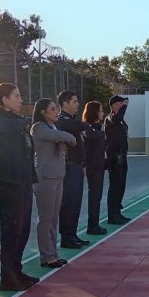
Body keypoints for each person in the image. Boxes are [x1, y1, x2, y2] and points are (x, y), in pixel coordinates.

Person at [0, 83, 39, 291]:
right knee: (11, 230)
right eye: (16, 96)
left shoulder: (17, 121)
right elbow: (8, 127)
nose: (20, 99)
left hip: (24, 179)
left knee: (23, 228)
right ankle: (7, 276)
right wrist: (28, 120)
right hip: (9, 181)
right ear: (4, 99)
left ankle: (17, 270)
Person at [30, 99, 76, 269]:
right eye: (53, 109)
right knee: (46, 218)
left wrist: (66, 138)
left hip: (57, 175)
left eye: (57, 108)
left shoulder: (53, 127)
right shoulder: (39, 127)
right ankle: (46, 255)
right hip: (45, 177)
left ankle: (53, 253)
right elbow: (62, 137)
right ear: (43, 112)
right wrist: (69, 137)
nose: (57, 111)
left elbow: (61, 138)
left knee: (54, 217)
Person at [55, 91, 92, 248]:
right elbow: (79, 126)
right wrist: (87, 125)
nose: (77, 104)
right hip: (69, 167)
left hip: (77, 166)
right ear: (65, 104)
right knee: (68, 202)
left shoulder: (71, 120)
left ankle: (72, 234)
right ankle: (66, 237)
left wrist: (83, 165)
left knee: (76, 203)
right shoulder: (62, 120)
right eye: (74, 101)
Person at [105, 95, 132, 225]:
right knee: (115, 186)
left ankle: (117, 213)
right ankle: (112, 215)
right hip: (114, 158)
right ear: (115, 105)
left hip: (122, 156)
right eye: (121, 103)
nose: (123, 105)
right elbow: (116, 119)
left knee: (121, 186)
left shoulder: (120, 120)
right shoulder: (111, 118)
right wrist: (124, 106)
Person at [82, 101, 108, 235]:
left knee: (97, 195)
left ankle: (95, 223)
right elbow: (90, 137)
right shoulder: (89, 127)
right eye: (101, 110)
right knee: (94, 195)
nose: (103, 113)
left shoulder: (98, 127)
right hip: (93, 165)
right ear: (95, 112)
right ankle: (92, 225)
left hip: (99, 164)